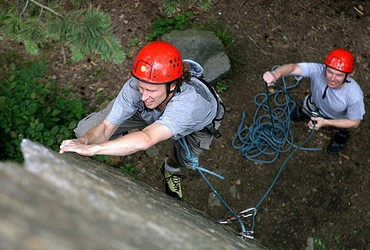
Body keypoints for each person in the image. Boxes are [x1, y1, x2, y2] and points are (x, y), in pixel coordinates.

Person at [59, 41, 224, 200]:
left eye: (151, 90)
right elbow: (105, 126)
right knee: (86, 130)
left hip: (195, 126)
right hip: (150, 112)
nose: (144, 96)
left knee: (184, 159)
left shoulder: (189, 104)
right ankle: (122, 140)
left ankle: (170, 168)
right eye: (141, 87)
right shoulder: (136, 87)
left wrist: (95, 149)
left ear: (172, 85)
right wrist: (83, 142)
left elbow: (147, 139)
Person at [263, 48, 365, 154]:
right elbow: (293, 67)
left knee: (342, 129)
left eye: (339, 75)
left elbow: (354, 122)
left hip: (337, 117)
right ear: (326, 67)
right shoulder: (318, 70)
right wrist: (276, 74)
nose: (332, 78)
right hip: (313, 104)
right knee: (306, 107)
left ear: (348, 75)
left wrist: (326, 122)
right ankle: (304, 111)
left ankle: (341, 136)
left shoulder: (354, 95)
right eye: (330, 72)